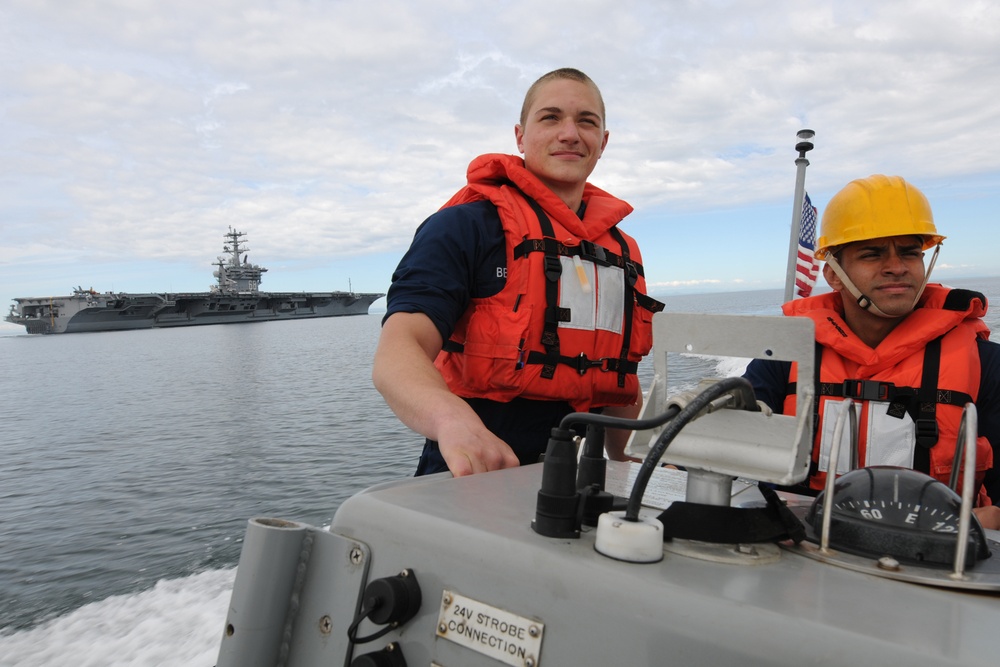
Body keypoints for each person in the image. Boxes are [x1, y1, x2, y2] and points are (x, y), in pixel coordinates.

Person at [372, 68, 663, 478]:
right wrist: (451, 421)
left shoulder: (619, 251)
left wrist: (656, 461)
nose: (569, 133)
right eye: (550, 117)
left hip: (581, 481)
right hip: (473, 472)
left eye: (586, 121)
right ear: (520, 137)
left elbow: (616, 389)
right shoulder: (464, 227)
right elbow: (398, 350)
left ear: (603, 142)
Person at [745, 174, 1000, 529]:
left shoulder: (985, 363)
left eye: (910, 252)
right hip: (803, 548)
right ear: (833, 274)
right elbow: (732, 458)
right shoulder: (786, 356)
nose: (897, 266)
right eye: (872, 253)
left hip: (938, 560)